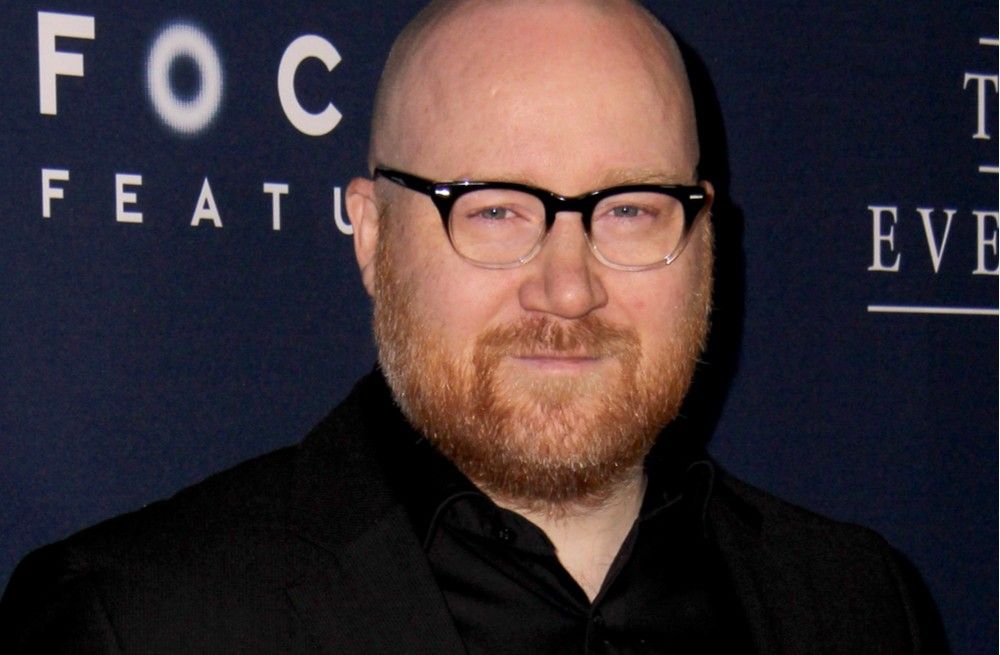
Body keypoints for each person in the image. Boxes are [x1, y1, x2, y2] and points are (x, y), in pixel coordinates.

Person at [0, 0, 946, 652]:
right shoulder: (134, 622)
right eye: (494, 210)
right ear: (373, 236)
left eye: (629, 210)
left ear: (703, 237)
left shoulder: (856, 604)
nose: (567, 289)